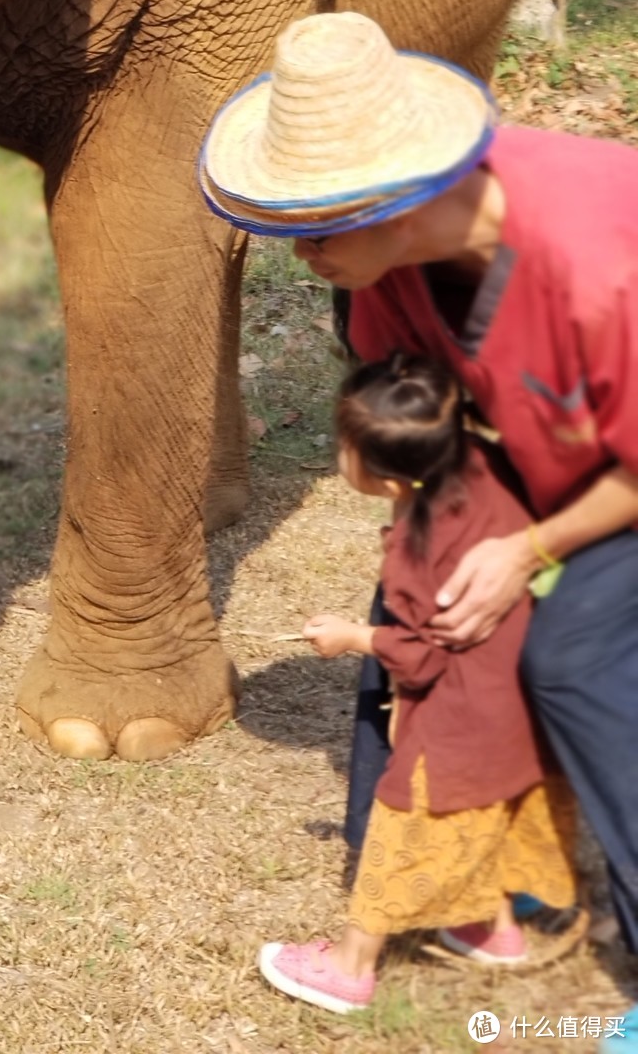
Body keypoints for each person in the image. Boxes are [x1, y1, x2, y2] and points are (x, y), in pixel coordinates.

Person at [199, 10, 638, 1038]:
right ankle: (451, 886)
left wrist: (527, 550)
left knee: (575, 662)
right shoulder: (384, 274)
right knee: (416, 616)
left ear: (388, 203)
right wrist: (441, 554)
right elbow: (441, 426)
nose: (295, 254)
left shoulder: (603, 258)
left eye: (310, 228)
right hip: (542, 463)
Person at [258, 349, 576, 1015]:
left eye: (342, 445)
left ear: (387, 479)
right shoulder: (486, 469)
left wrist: (354, 637)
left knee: (406, 830)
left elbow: (424, 655)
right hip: (527, 702)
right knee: (485, 815)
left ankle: (349, 968)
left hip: (462, 717)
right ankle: (494, 931)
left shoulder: (415, 547)